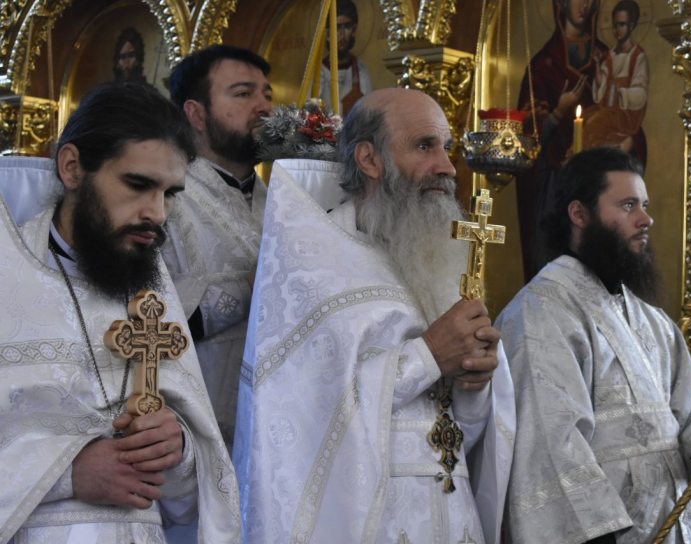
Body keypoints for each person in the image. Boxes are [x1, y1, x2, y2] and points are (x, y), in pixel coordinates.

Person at [233, 87, 515, 543]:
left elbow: (460, 428)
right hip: (371, 518)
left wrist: (474, 385)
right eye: (424, 146)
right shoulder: (315, 264)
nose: (446, 166)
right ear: (369, 159)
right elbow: (300, 413)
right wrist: (428, 356)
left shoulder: (439, 260)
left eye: (446, 147)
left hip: (452, 511)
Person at [0, 82, 240, 542]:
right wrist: (67, 475)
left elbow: (189, 499)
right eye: (138, 184)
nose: (157, 213)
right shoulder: (8, 272)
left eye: (170, 193)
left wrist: (177, 449)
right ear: (72, 168)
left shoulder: (151, 291)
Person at [496, 147, 691, 543]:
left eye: (645, 205)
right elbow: (549, 443)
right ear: (579, 214)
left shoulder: (652, 321)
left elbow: (689, 407)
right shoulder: (540, 313)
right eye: (628, 206)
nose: (645, 219)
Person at [163, 44, 272, 450]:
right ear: (196, 114)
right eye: (243, 94)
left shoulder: (284, 201)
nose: (263, 107)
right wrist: (251, 287)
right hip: (192, 430)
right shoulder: (165, 196)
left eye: (267, 94)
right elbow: (141, 318)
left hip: (272, 427)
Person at [515, 0, 607, 282]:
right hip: (552, 184)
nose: (584, 5)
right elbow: (526, 140)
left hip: (597, 184)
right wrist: (559, 111)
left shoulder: (605, 59)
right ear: (562, 4)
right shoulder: (542, 67)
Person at [585, 0, 648, 156]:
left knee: (593, 123)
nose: (617, 30)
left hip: (625, 116)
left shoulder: (637, 57)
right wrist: (598, 65)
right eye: (615, 25)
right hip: (608, 109)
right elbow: (601, 86)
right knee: (584, 119)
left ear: (631, 26)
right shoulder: (610, 56)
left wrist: (621, 92)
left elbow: (641, 93)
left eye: (622, 25)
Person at [319, 0, 373, 114]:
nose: (342, 35)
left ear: (353, 30)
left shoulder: (361, 70)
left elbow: (368, 111)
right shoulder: (318, 73)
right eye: (337, 27)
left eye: (347, 27)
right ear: (328, 34)